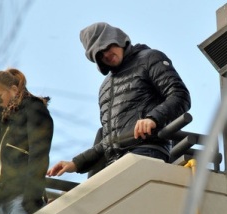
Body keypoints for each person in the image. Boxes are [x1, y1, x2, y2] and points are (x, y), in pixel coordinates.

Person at [47, 22, 190, 177]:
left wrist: (153, 118)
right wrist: (75, 164)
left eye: (107, 47)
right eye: (99, 55)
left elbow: (180, 95)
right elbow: (109, 141)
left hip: (147, 150)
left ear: (118, 39)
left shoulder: (150, 58)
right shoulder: (105, 88)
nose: (106, 55)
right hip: (114, 163)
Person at [0, 68, 53, 214]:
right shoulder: (1, 122)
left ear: (13, 90)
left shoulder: (34, 109)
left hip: (22, 198)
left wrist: (31, 197)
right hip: (0, 203)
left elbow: (39, 154)